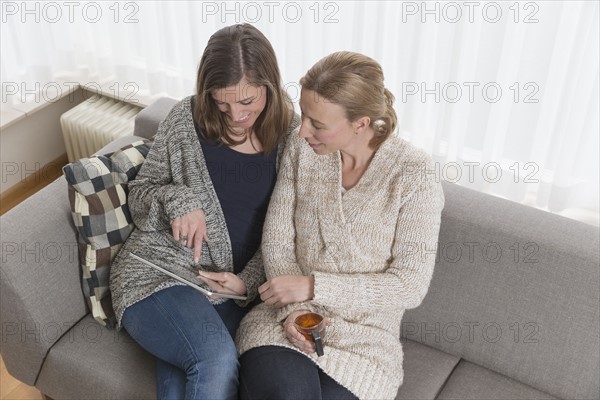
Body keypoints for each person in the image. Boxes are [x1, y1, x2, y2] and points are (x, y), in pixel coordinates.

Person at [235, 51, 445, 399]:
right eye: (304, 116)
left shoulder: (414, 175)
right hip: (283, 321)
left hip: (365, 341)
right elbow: (277, 242)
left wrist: (313, 287)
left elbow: (410, 284)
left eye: (318, 124)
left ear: (360, 124)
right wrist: (296, 308)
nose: (303, 132)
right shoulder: (302, 151)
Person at [109, 24, 298, 400]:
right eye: (222, 102)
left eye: (247, 102)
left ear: (270, 87)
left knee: (187, 376)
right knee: (215, 360)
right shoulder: (186, 119)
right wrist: (181, 200)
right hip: (156, 274)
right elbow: (140, 194)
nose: (235, 115)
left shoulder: (291, 137)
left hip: (223, 291)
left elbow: (288, 232)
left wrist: (247, 283)